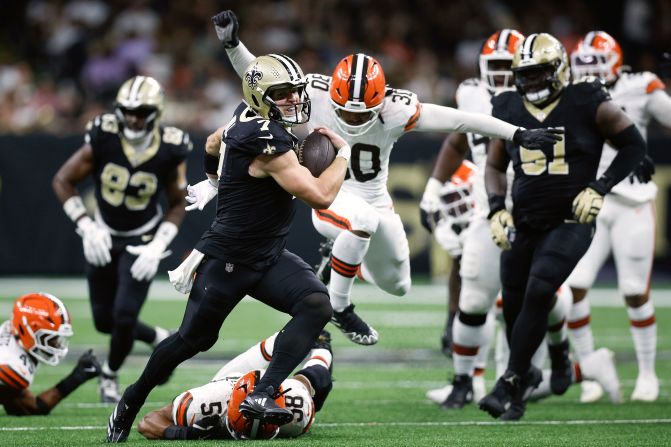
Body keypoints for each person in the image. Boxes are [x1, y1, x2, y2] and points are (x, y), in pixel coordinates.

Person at [212, 11, 562, 346]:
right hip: (329, 192)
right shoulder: (312, 94)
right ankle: (339, 305)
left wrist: (516, 134)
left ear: (380, 102)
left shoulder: (397, 109)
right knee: (359, 222)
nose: (351, 116)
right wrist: (233, 46)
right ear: (331, 93)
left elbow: (461, 120)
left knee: (398, 285)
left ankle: (337, 265)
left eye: (360, 111)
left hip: (376, 199)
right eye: (345, 108)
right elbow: (260, 76)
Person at [106, 51, 351, 443]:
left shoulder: (247, 117)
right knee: (192, 341)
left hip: (267, 256)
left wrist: (213, 179)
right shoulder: (264, 138)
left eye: (296, 91)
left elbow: (213, 140)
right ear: (261, 99)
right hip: (228, 259)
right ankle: (131, 399)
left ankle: (261, 393)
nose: (294, 99)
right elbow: (321, 196)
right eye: (283, 93)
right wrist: (343, 156)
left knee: (317, 304)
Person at [479, 33, 647, 421]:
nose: (531, 82)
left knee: (541, 287)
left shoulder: (587, 100)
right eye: (525, 74)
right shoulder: (506, 105)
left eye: (539, 73)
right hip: (525, 219)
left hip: (571, 218)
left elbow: (634, 145)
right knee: (514, 301)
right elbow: (493, 164)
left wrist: (600, 187)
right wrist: (494, 208)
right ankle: (525, 383)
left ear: (558, 70)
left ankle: (509, 379)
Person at [53, 76, 191, 403]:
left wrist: (157, 244)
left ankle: (110, 376)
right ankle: (159, 336)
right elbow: (62, 179)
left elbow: (176, 203)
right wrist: (85, 225)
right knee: (106, 321)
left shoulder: (171, 146)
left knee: (125, 316)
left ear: (155, 112)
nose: (132, 118)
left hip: (142, 237)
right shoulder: (104, 135)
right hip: (101, 232)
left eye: (141, 111)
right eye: (127, 110)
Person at [568, 30, 670, 403]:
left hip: (631, 200)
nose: (589, 72)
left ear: (614, 63)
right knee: (574, 288)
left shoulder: (639, 86)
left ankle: (646, 373)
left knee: (633, 291)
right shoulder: (571, 92)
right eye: (584, 64)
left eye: (596, 64)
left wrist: (636, 147)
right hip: (591, 199)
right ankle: (590, 370)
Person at [137, 330, 333, 441]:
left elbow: (319, 377)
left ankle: (320, 343)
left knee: (318, 376)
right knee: (281, 340)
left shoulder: (296, 409)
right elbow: (148, 421)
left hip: (274, 386)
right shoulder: (208, 401)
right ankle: (310, 336)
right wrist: (184, 433)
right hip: (230, 379)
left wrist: (322, 354)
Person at [0, 293, 101, 415]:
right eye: (51, 337)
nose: (57, 343)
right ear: (29, 330)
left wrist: (76, 377)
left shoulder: (11, 333)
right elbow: (30, 407)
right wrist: (76, 377)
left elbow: (19, 403)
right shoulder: (10, 363)